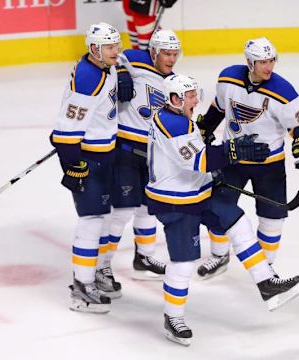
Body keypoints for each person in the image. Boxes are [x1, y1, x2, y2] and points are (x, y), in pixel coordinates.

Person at [147, 74, 299, 346]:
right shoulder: (172, 124)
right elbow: (199, 160)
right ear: (174, 99)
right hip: (175, 201)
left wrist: (223, 159)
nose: (196, 99)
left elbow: (198, 155)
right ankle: (173, 317)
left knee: (236, 219)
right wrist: (233, 151)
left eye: (195, 93)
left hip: (197, 191)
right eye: (190, 96)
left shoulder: (179, 118)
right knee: (184, 262)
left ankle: (267, 283)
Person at [195, 37, 299, 279]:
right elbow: (219, 108)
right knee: (218, 210)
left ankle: (265, 268)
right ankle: (219, 256)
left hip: (269, 164)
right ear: (249, 62)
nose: (269, 67)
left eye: (271, 60)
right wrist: (206, 127)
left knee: (272, 219)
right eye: (262, 62)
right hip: (232, 158)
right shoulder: (228, 78)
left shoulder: (284, 92)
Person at [96, 30, 181, 284]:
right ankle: (103, 266)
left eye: (175, 54)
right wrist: (121, 74)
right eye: (166, 53)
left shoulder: (174, 81)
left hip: (155, 153)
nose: (171, 59)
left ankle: (143, 256)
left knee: (148, 206)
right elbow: (111, 60)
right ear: (153, 51)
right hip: (125, 149)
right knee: (120, 211)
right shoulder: (134, 59)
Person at [50, 22, 121, 313]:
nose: (117, 52)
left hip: (106, 156)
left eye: (117, 46)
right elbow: (66, 133)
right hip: (89, 159)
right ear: (95, 49)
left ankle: (94, 275)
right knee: (91, 221)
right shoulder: (89, 80)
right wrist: (73, 164)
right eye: (111, 47)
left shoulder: (106, 65)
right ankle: (81, 288)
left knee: (103, 218)